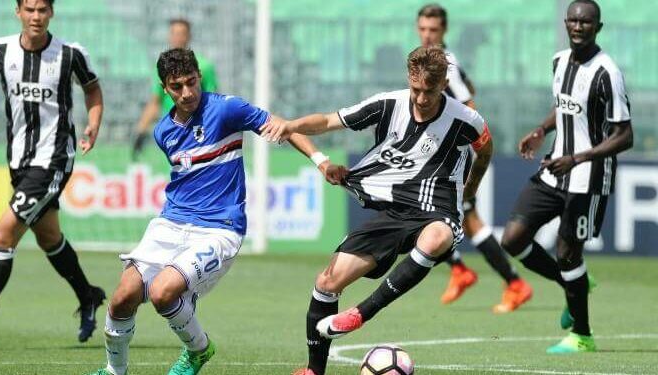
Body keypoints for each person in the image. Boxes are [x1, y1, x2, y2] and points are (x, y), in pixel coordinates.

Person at [86, 48, 338, 375]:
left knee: (164, 293)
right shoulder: (164, 132)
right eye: (177, 86)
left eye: (192, 82)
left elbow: (283, 128)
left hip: (220, 228)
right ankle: (114, 370)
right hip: (170, 223)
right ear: (165, 89)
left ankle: (198, 350)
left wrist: (321, 161)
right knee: (122, 297)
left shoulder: (227, 109)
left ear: (199, 77)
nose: (187, 92)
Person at [262, 46, 493, 375]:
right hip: (394, 211)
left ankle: (362, 313)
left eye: (430, 91)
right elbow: (330, 120)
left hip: (437, 210)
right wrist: (291, 125)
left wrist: (470, 189)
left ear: (444, 84)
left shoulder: (465, 120)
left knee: (437, 237)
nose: (422, 98)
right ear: (408, 80)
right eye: (416, 89)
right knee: (328, 281)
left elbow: (486, 149)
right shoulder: (388, 104)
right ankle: (315, 370)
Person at [0, 0, 106, 348]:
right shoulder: (0, 50)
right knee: (49, 238)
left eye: (42, 10)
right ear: (18, 12)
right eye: (29, 9)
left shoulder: (70, 54)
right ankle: (88, 295)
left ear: (51, 13)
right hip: (19, 161)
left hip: (54, 159)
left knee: (3, 236)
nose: (35, 16)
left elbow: (91, 87)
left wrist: (93, 122)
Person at [500, 0, 633, 353]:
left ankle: (582, 335)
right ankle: (576, 284)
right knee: (512, 238)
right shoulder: (559, 61)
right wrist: (542, 130)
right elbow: (564, 106)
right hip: (556, 167)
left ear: (597, 28)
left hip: (588, 176)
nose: (578, 26)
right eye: (573, 20)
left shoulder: (608, 72)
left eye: (586, 22)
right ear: (565, 24)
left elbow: (625, 135)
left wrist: (577, 158)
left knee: (567, 251)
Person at [416, 3, 532, 312]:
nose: (427, 35)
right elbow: (466, 87)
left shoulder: (444, 62)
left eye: (434, 30)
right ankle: (470, 272)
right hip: (443, 152)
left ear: (444, 31)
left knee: (454, 218)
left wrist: (468, 147)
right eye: (423, 29)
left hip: (455, 155)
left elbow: (469, 102)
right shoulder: (436, 61)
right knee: (461, 220)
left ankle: (507, 281)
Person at [131, 18, 219, 160]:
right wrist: (141, 131)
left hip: (199, 131)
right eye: (174, 33)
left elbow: (213, 100)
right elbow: (155, 101)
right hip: (174, 132)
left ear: (189, 36)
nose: (177, 37)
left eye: (182, 33)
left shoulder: (204, 66)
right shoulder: (162, 68)